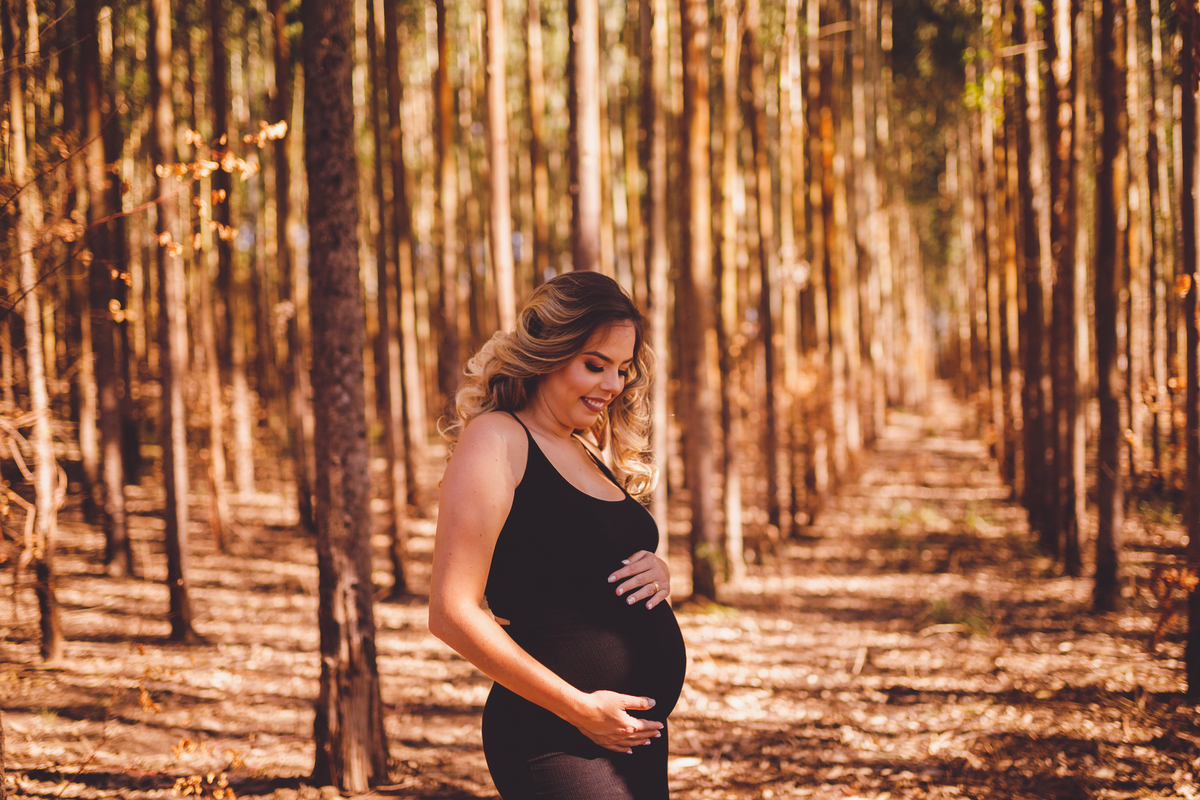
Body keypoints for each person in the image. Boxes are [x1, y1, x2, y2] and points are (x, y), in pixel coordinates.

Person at [429, 271, 688, 799]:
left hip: (629, 736)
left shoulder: (581, 445)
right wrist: (581, 709)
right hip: (557, 734)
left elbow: (576, 560)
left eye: (622, 369)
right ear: (548, 352)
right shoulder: (497, 439)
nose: (612, 385)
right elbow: (451, 612)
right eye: (595, 365)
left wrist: (656, 568)